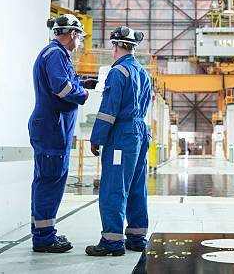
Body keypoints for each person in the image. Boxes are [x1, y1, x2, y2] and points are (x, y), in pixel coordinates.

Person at [85, 26, 152, 256]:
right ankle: (136, 236)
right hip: (140, 132)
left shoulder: (118, 72)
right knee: (136, 185)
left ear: (115, 46)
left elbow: (108, 111)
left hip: (122, 136)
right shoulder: (143, 72)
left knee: (114, 186)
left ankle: (112, 241)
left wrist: (96, 138)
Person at [29, 14, 89, 253]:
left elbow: (67, 81)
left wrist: (84, 83)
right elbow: (62, 88)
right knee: (50, 182)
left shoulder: (55, 54)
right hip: (53, 128)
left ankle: (45, 232)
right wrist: (82, 94)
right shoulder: (55, 54)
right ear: (72, 34)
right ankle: (44, 238)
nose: (80, 43)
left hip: (53, 127)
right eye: (80, 37)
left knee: (48, 181)